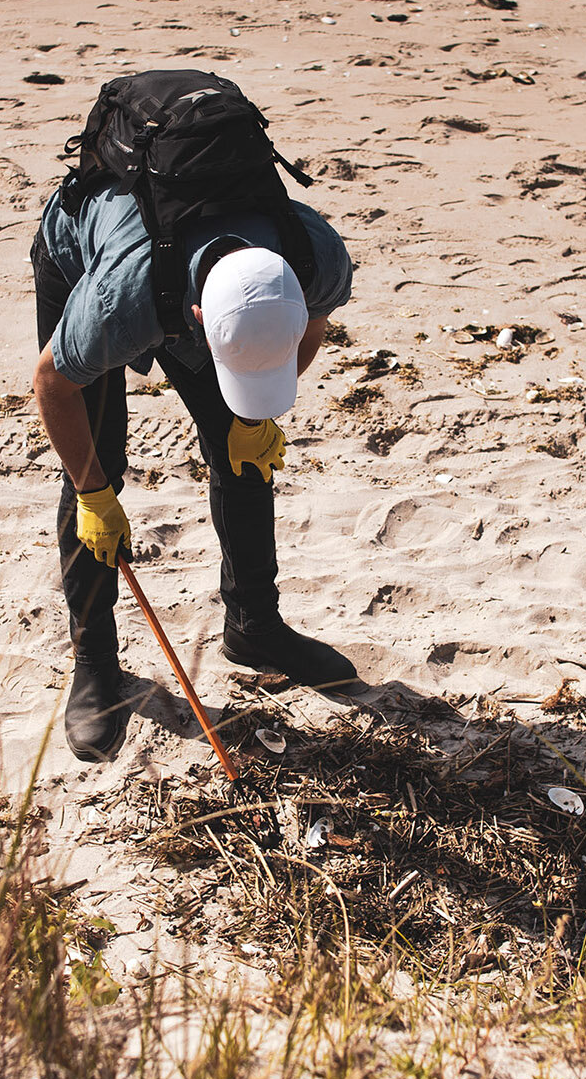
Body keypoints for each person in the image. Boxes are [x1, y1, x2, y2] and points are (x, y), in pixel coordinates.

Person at [32, 163, 358, 762]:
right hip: (87, 252)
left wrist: (252, 420)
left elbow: (310, 327)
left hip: (193, 276)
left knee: (246, 449)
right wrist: (93, 495)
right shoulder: (115, 304)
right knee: (94, 457)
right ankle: (96, 663)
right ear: (202, 324)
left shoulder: (315, 257)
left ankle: (254, 625)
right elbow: (53, 386)